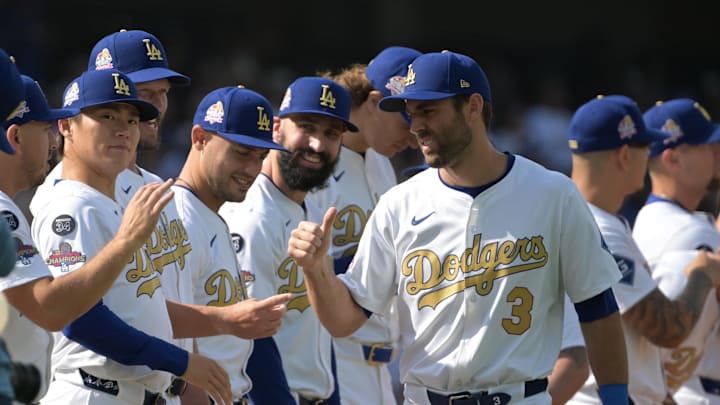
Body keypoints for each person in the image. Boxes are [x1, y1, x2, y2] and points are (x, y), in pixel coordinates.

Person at [287, 50, 630, 405]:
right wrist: (316, 271)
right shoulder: (399, 203)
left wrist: (617, 399)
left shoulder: (552, 194)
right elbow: (345, 320)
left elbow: (598, 308)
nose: (416, 124)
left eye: (429, 110)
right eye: (410, 111)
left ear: (473, 106)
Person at [28, 68, 233, 405]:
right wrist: (180, 362)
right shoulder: (73, 206)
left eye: (132, 120)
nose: (122, 130)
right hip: (95, 391)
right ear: (66, 126)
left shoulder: (114, 204)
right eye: (107, 116)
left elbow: (135, 306)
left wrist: (223, 321)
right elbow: (79, 319)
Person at [566, 94, 720, 404]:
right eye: (644, 147)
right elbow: (667, 330)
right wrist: (703, 274)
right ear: (625, 155)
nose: (649, 156)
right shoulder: (594, 228)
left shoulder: (593, 220)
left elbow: (633, 341)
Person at [218, 76, 356, 404]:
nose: (318, 145)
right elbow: (252, 341)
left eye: (331, 134)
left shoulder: (311, 207)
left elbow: (316, 331)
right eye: (307, 127)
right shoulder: (252, 215)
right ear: (277, 128)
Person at [311, 45, 420, 405]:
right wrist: (377, 267)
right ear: (374, 102)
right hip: (332, 356)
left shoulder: (381, 161)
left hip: (381, 364)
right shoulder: (317, 162)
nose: (414, 133)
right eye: (406, 119)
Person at [171, 85, 291, 404]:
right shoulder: (179, 217)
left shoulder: (209, 213)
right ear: (200, 138)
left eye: (260, 156)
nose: (252, 169)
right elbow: (169, 331)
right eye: (241, 152)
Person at [633, 98, 720, 404]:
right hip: (698, 391)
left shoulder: (650, 223)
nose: (717, 152)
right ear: (672, 159)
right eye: (706, 145)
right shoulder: (690, 234)